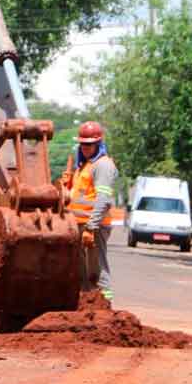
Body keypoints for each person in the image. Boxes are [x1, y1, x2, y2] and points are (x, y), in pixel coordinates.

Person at [66, 121, 117, 301]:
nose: (86, 147)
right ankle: (88, 306)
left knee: (97, 269)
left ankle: (105, 304)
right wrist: (66, 185)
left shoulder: (103, 165)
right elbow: (79, 195)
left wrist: (91, 227)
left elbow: (103, 200)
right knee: (83, 271)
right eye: (83, 144)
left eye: (89, 144)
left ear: (98, 143)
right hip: (79, 224)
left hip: (94, 226)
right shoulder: (84, 166)